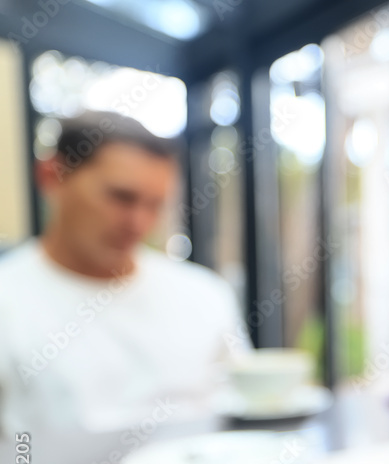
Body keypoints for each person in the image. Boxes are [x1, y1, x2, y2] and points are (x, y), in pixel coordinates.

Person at [0, 111, 247, 435]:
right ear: (52, 175)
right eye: (121, 197)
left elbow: (247, 408)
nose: (138, 224)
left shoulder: (205, 294)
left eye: (155, 204)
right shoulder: (10, 300)